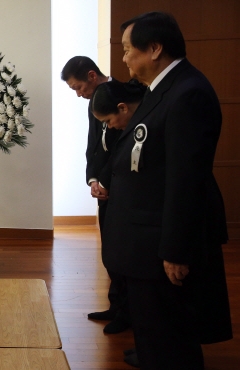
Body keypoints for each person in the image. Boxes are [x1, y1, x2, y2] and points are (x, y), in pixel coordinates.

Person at [102, 11, 232, 369]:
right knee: (155, 334)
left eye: (130, 50)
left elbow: (185, 179)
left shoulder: (187, 94)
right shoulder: (162, 91)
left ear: (155, 48)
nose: (125, 58)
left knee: (170, 341)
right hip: (145, 243)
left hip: (161, 245)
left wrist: (176, 250)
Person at [61, 56, 129, 334]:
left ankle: (128, 313)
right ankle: (116, 306)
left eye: (79, 87)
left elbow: (121, 147)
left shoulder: (124, 94)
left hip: (122, 187)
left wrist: (109, 181)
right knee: (111, 249)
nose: (79, 94)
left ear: (91, 75)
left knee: (124, 253)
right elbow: (93, 144)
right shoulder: (92, 102)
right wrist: (92, 179)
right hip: (103, 187)